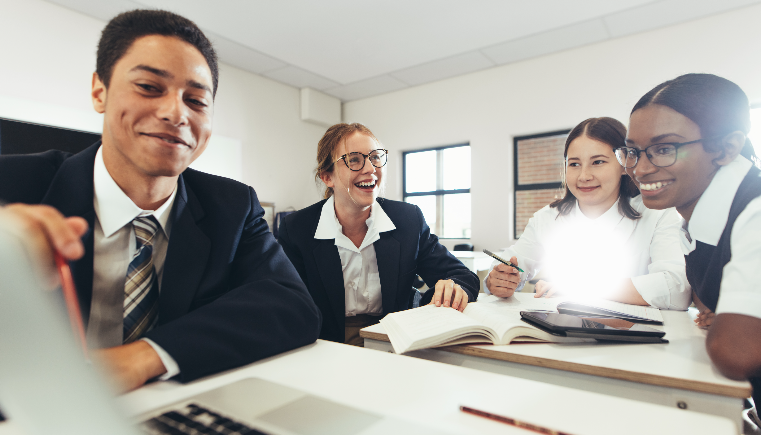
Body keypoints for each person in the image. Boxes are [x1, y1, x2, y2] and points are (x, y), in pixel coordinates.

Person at [0, 9, 321, 394]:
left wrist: (141, 356)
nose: (175, 113)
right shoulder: (9, 185)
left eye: (196, 100)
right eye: (149, 87)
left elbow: (292, 305)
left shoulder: (232, 205)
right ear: (99, 91)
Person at [622, 73, 761, 410]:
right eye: (632, 152)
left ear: (727, 148)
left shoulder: (755, 210)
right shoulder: (695, 216)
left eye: (664, 149)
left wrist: (729, 322)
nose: (639, 169)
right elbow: (707, 308)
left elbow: (734, 351)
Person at [277, 123, 479, 346]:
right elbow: (284, 302)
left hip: (396, 339)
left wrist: (451, 286)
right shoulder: (297, 228)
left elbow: (464, 277)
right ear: (327, 177)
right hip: (327, 343)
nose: (370, 168)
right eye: (354, 159)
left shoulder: (407, 220)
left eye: (375, 157)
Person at [485, 117, 689, 309]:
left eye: (598, 162)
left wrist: (585, 287)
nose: (584, 176)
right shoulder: (547, 217)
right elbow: (513, 262)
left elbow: (677, 287)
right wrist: (500, 280)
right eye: (574, 164)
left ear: (624, 163)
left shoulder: (657, 214)